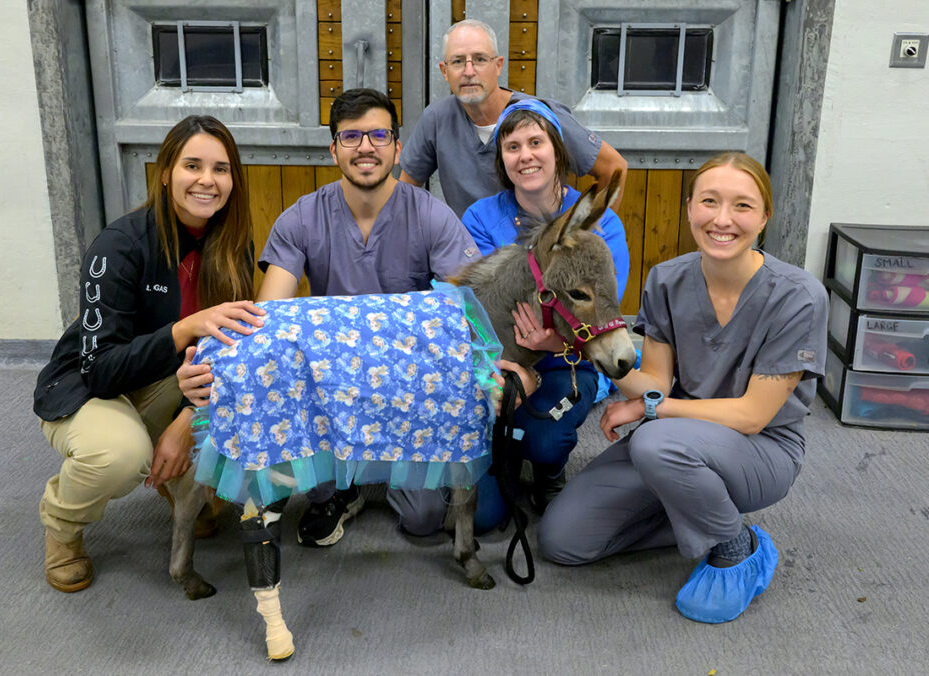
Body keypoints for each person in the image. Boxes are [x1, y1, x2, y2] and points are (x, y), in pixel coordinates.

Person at [176, 88, 488, 546]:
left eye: (379, 135)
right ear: (334, 149)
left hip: (406, 387)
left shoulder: (432, 217)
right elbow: (268, 321)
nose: (366, 147)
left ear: (397, 147)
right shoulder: (302, 218)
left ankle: (373, 474)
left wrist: (497, 367)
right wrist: (206, 386)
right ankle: (337, 492)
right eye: (351, 137)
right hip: (328, 385)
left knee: (424, 518)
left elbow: (467, 312)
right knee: (290, 428)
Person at [537, 152, 828, 623]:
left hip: (761, 450)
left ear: (764, 217)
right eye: (709, 201)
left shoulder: (798, 297)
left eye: (742, 206)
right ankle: (696, 507)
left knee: (652, 442)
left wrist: (650, 410)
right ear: (690, 208)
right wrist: (584, 343)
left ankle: (736, 546)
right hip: (674, 444)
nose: (722, 219)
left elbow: (752, 415)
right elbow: (653, 382)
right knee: (563, 539)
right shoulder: (667, 279)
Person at [33, 116, 267, 592]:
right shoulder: (118, 246)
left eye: (221, 169)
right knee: (121, 455)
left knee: (255, 396)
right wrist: (184, 328)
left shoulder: (232, 243)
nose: (207, 180)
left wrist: (184, 425)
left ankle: (180, 484)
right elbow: (100, 370)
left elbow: (229, 352)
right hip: (91, 387)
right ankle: (63, 524)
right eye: (192, 165)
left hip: (171, 382)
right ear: (165, 173)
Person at [460, 98, 630, 530]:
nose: (525, 155)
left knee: (544, 439)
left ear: (557, 149)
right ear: (502, 160)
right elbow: (479, 308)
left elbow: (605, 315)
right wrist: (514, 370)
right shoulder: (480, 217)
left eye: (536, 142)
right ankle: (503, 452)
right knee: (483, 517)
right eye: (512, 147)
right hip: (499, 362)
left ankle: (547, 469)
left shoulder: (603, 225)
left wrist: (557, 344)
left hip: (567, 361)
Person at [399, 19, 628, 218]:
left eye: (480, 59)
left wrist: (589, 235)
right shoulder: (437, 119)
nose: (469, 71)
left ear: (498, 65)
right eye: (458, 61)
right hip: (473, 248)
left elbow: (613, 167)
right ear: (444, 71)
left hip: (537, 247)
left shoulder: (539, 116)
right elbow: (405, 193)